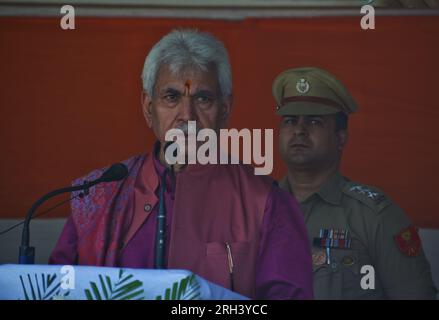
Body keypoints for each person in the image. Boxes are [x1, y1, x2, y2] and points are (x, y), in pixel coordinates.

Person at [49, 29, 313, 300]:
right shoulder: (100, 195)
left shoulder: (267, 203)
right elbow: (55, 290)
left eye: (203, 99)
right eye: (172, 97)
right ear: (148, 108)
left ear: (224, 110)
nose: (187, 115)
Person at [273, 66, 437, 299]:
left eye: (315, 122)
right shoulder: (257, 209)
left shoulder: (375, 217)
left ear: (341, 138)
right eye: (290, 120)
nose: (299, 130)